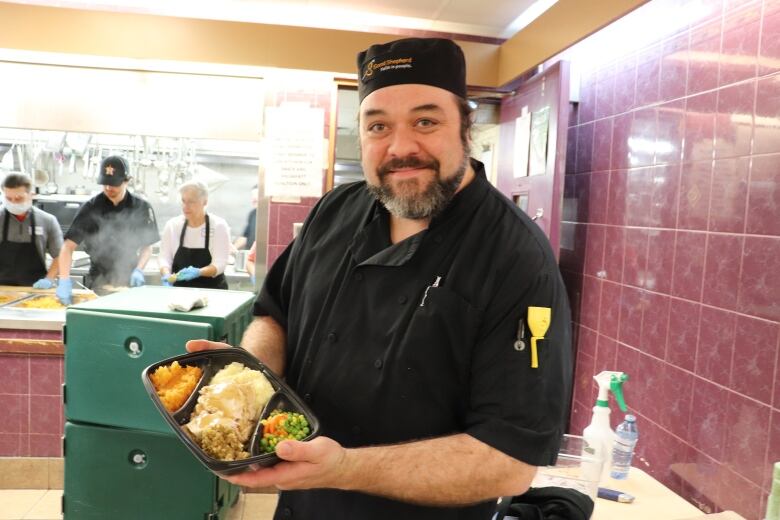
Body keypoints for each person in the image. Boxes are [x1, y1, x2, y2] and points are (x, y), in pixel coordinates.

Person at [189, 38, 573, 520]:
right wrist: (244, 385)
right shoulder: (336, 210)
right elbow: (275, 315)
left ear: (465, 129)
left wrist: (340, 468)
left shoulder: (516, 258)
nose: (401, 147)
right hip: (300, 508)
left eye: (426, 121)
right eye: (378, 126)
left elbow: (508, 461)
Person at [57, 155, 159, 303]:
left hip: (130, 277)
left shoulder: (141, 208)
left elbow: (146, 247)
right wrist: (64, 280)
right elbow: (68, 247)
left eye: (114, 183)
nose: (108, 188)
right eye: (105, 183)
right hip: (98, 277)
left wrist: (139, 270)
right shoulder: (90, 208)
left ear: (127, 181)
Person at [158, 180, 231, 290]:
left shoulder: (218, 226)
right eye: (183, 201)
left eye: (191, 202)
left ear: (205, 201)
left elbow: (220, 263)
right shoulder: (173, 226)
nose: (185, 206)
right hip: (180, 291)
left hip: (213, 292)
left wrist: (198, 272)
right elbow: (165, 258)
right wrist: (166, 274)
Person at [0, 173, 63, 287]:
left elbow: (60, 256)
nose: (13, 202)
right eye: (8, 199)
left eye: (19, 198)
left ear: (31, 195)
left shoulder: (48, 220)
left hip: (35, 288)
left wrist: (49, 279)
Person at [233, 186, 258, 250]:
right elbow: (245, 237)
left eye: (257, 195)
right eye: (253, 195)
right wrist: (233, 248)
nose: (254, 199)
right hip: (250, 254)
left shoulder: (270, 215)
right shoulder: (253, 213)